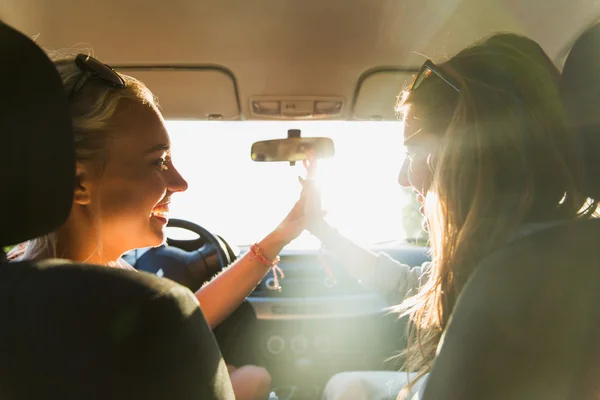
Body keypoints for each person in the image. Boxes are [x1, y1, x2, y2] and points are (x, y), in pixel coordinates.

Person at [7, 51, 315, 400]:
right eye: (158, 161)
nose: (180, 182)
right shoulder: (97, 306)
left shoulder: (32, 294)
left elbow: (178, 319)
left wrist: (281, 235)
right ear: (78, 184)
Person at [313, 32, 596, 400]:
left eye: (414, 152)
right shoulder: (539, 255)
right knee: (346, 385)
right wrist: (324, 231)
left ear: (467, 158)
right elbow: (417, 287)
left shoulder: (500, 281)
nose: (402, 178)